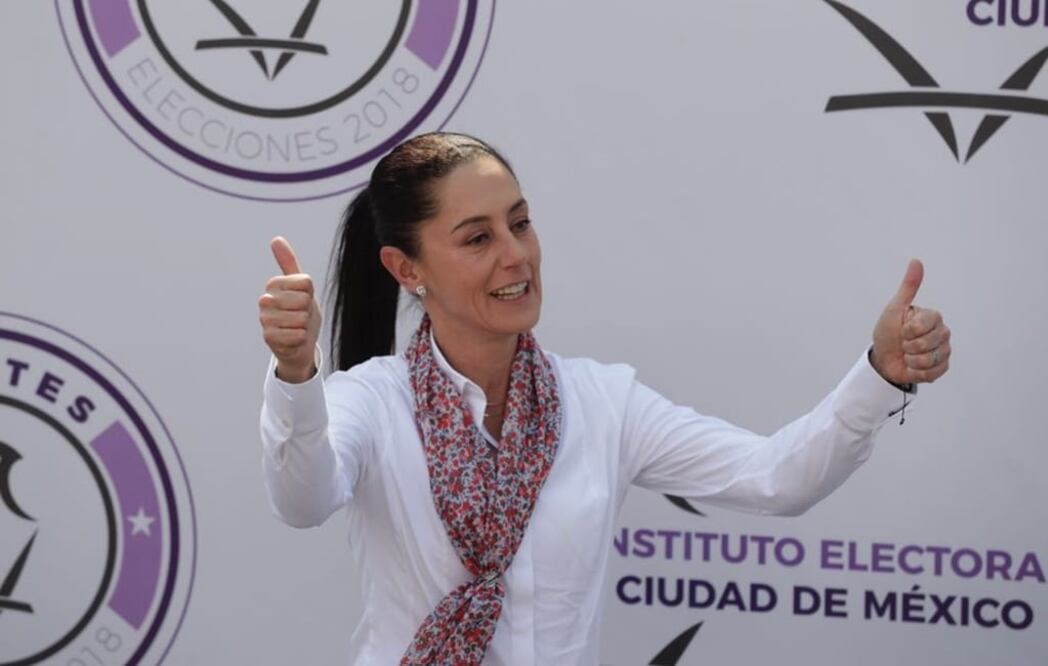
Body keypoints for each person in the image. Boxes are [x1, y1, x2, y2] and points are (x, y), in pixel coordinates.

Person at [257, 132, 951, 665]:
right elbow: (303, 500)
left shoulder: (601, 402)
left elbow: (775, 479)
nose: (516, 255)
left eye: (520, 223)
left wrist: (880, 374)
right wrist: (295, 372)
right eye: (478, 238)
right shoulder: (371, 401)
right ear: (407, 269)